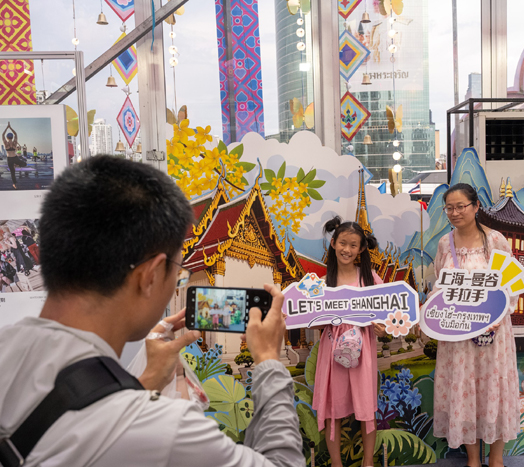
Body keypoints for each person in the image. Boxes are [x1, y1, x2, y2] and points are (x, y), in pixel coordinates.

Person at [0, 156, 303, 466]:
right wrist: (269, 362)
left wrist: (146, 382)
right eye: (179, 272)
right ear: (151, 276)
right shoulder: (166, 430)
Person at [431, 183, 519, 467]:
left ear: (476, 206)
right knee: (464, 389)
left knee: (494, 388)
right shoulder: (444, 244)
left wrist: (497, 318)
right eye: (449, 208)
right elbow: (439, 286)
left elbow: (511, 284)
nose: (455, 213)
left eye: (461, 206)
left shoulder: (495, 241)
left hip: (493, 334)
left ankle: (496, 458)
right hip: (457, 335)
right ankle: (472, 459)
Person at [311, 216, 386, 467]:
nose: (347, 249)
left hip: (363, 351)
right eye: (343, 243)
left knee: (366, 408)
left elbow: (386, 320)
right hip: (332, 351)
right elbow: (314, 321)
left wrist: (382, 329)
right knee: (332, 409)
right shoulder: (321, 284)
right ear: (333, 243)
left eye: (353, 245)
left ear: (361, 249)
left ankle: (368, 462)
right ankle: (336, 463)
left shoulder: (371, 279)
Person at [2, 122, 20, 189]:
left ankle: (14, 184)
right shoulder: (14, 143)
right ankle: (16, 165)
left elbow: (3, 134)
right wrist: (10, 127)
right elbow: (15, 134)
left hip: (9, 158)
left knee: (12, 173)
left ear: (7, 138)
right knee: (24, 164)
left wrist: (7, 127)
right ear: (12, 137)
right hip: (14, 158)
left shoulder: (6, 143)